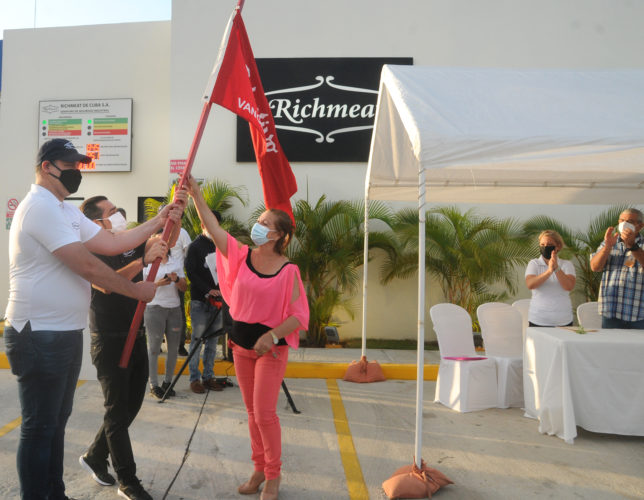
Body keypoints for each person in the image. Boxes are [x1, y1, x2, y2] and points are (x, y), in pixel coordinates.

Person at [4, 138, 184, 500]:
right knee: (40, 427)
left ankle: (54, 493)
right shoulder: (39, 207)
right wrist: (137, 291)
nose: (77, 171)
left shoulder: (65, 210)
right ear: (46, 167)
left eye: (80, 165)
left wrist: (160, 220)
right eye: (70, 165)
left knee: (55, 425)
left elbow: (112, 244)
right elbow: (88, 266)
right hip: (37, 333)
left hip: (65, 332)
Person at [187, 176, 309, 500]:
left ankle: (273, 475)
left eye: (265, 223)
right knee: (252, 414)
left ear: (279, 234)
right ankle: (258, 468)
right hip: (240, 347)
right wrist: (196, 194)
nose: (258, 225)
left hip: (270, 351)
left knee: (265, 414)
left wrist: (272, 335)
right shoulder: (240, 255)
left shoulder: (288, 271)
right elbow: (211, 226)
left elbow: (299, 315)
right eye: (258, 220)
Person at [78, 195, 182, 500]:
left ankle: (95, 456)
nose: (118, 214)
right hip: (109, 340)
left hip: (134, 332)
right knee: (116, 411)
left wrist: (175, 214)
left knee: (130, 406)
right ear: (96, 222)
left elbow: (164, 238)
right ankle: (128, 480)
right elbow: (105, 283)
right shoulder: (87, 248)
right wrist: (142, 262)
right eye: (111, 212)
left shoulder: (125, 241)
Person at [184, 209, 227, 394]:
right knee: (197, 340)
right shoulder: (195, 247)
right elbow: (191, 273)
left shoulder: (221, 244)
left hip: (218, 303)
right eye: (209, 224)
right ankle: (194, 379)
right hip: (200, 301)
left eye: (216, 225)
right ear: (202, 225)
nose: (212, 228)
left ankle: (208, 376)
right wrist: (208, 290)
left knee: (212, 341)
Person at [143, 240, 187, 398]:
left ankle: (168, 382)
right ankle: (153, 384)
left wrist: (176, 280)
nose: (162, 246)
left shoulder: (175, 262)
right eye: (158, 243)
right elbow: (140, 287)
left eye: (164, 243)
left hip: (174, 308)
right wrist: (158, 283)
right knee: (154, 348)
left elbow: (184, 287)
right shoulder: (147, 264)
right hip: (154, 308)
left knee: (173, 349)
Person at [590, 208, 644, 328]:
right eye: (622, 220)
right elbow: (595, 267)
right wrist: (607, 247)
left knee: (638, 347)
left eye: (629, 221)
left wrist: (632, 246)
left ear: (640, 226)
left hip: (638, 313)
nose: (624, 224)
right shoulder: (609, 242)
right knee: (609, 346)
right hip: (610, 311)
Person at [525, 230, 576, 327]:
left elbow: (569, 286)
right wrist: (549, 271)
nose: (545, 247)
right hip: (538, 320)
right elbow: (530, 284)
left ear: (558, 247)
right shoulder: (534, 264)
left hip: (563, 321)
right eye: (542, 244)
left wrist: (556, 268)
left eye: (549, 244)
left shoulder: (567, 265)